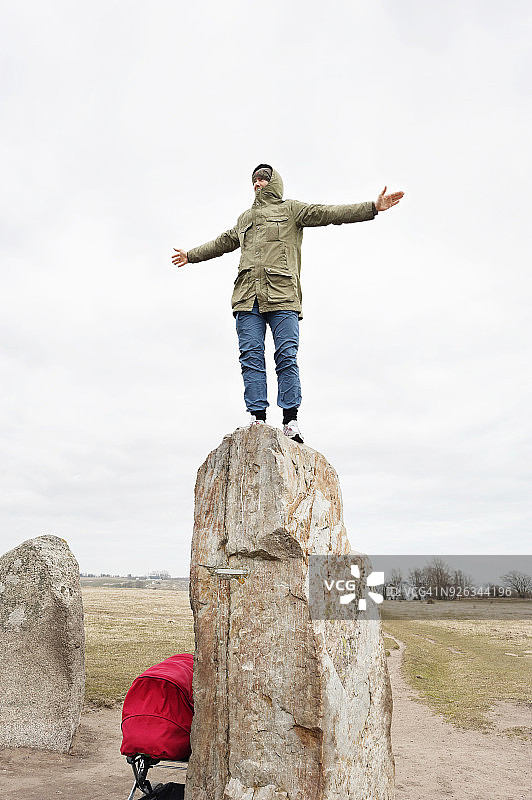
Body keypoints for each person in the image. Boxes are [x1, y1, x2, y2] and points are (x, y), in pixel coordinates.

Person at [172, 164, 404, 444]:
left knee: (286, 356)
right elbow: (222, 242)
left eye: (263, 179)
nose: (257, 183)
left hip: (283, 296)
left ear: (274, 182)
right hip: (247, 299)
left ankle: (290, 421)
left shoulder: (291, 210)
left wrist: (372, 207)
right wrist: (191, 255)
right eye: (254, 179)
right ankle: (257, 418)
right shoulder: (245, 219)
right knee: (250, 357)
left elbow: (329, 214)